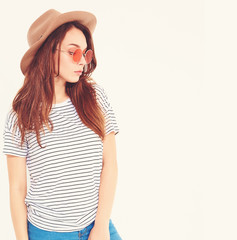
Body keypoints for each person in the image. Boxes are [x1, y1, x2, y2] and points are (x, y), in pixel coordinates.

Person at [3, 9, 122, 240]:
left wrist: (100, 227)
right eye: (72, 52)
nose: (82, 61)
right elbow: (17, 188)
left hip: (96, 225)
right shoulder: (20, 116)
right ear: (47, 52)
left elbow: (110, 164)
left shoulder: (95, 96)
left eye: (85, 53)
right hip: (47, 233)